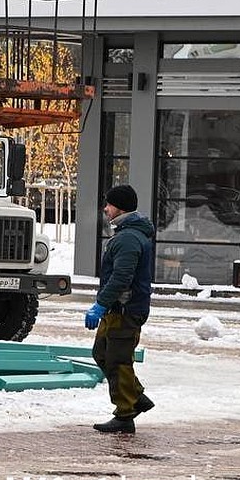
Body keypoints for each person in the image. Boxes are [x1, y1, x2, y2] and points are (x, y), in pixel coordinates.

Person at [85, 184, 155, 434]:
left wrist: (101, 305)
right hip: (118, 309)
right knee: (102, 353)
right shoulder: (127, 234)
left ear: (120, 207)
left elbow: (122, 277)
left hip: (125, 310)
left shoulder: (128, 238)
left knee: (117, 360)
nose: (105, 209)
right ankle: (136, 397)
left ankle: (125, 414)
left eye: (109, 204)